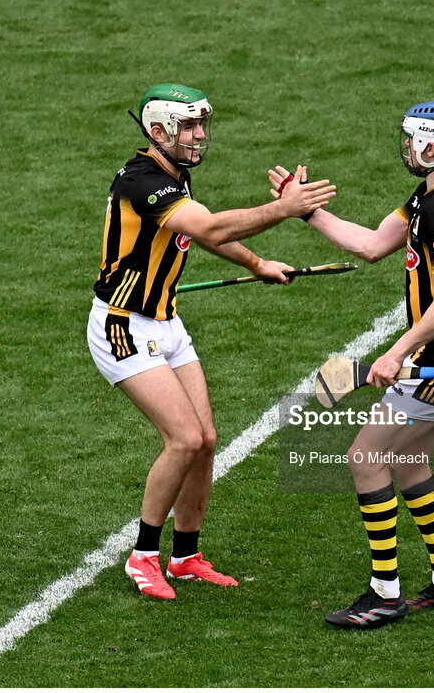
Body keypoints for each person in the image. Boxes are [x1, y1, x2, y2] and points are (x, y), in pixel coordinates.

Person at [88, 83, 335, 600]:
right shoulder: (144, 182)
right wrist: (285, 210)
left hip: (166, 323)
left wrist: (258, 264)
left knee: (207, 442)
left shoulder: (175, 176)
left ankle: (185, 556)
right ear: (157, 132)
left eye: (202, 125)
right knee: (184, 439)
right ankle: (143, 556)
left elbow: (204, 234)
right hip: (123, 326)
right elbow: (211, 228)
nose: (199, 135)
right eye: (188, 127)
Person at [269, 101, 434, 629]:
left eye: (417, 141)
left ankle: (384, 593)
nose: (409, 149)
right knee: (409, 461)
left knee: (365, 458)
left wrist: (396, 351)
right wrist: (304, 210)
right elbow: (372, 245)